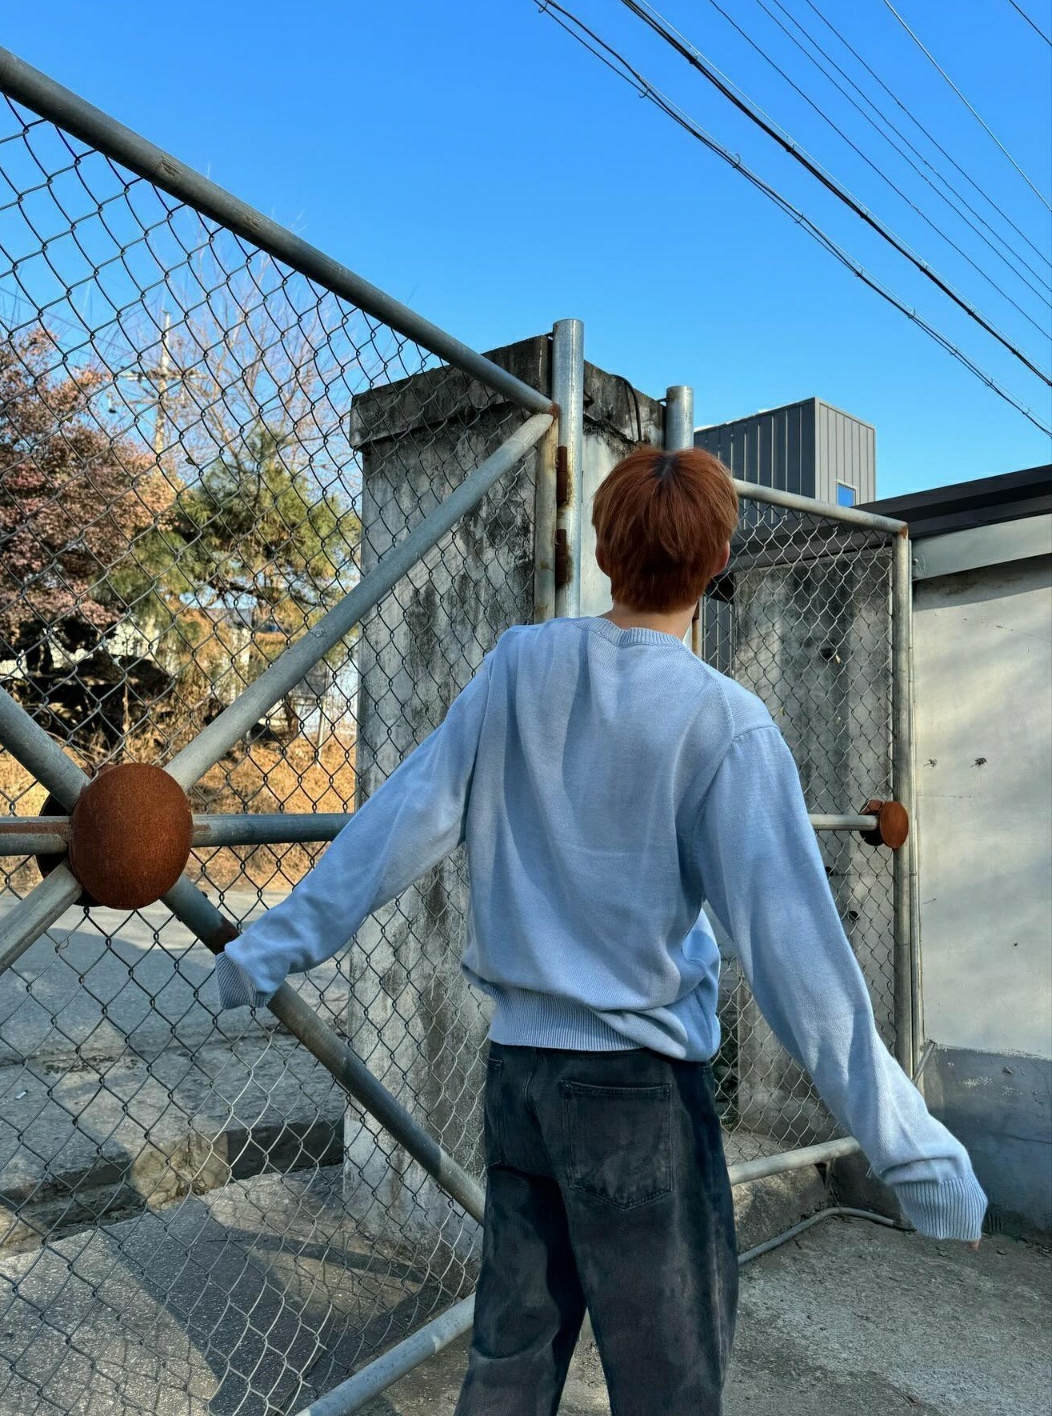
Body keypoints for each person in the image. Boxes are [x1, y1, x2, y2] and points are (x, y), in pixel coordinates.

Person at [216, 445, 986, 1416]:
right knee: (669, 1380)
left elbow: (400, 822)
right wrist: (919, 1155)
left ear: (602, 549)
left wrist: (269, 946)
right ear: (718, 563)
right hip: (639, 1096)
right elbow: (799, 965)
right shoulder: (724, 724)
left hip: (520, 1078)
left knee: (509, 1358)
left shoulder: (517, 668)